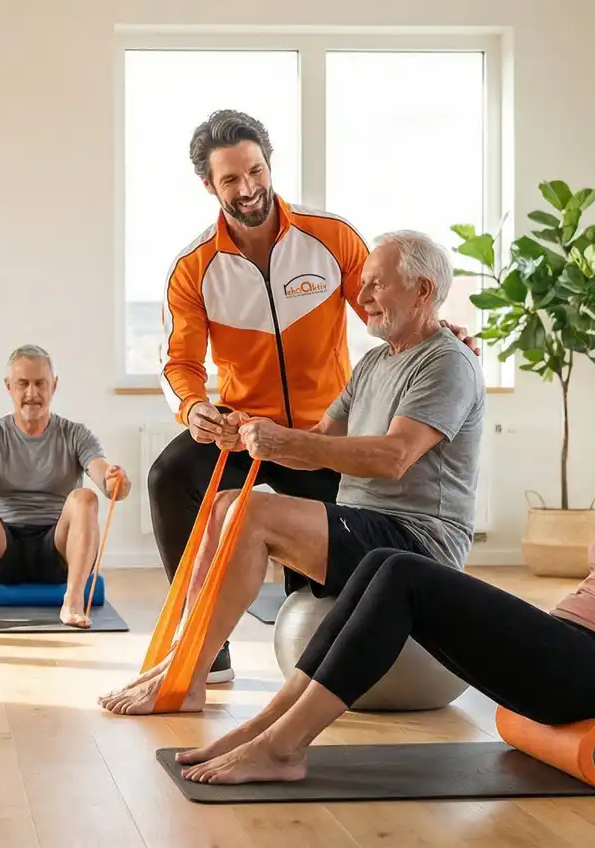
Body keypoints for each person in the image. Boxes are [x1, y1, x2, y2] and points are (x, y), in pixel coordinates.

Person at [172, 337, 595, 791]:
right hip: (577, 648)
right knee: (385, 560)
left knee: (405, 574)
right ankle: (268, 729)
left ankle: (284, 746)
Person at [151, 109, 476, 682]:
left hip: (322, 432)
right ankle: (207, 644)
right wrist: (195, 408)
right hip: (245, 429)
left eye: (255, 170)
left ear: (268, 164)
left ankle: (335, 650)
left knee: (318, 571)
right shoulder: (194, 267)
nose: (248, 188)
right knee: (171, 473)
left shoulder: (330, 238)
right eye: (231, 179)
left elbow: (388, 311)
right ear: (209, 185)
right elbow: (179, 363)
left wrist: (441, 330)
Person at [102, 230, 485, 715]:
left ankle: (189, 676)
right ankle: (184, 658)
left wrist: (285, 439)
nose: (362, 296)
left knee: (252, 514)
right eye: (362, 283)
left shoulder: (446, 363)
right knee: (224, 503)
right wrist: (243, 433)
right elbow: (319, 443)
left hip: (418, 544)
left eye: (377, 285)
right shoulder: (372, 364)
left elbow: (395, 457)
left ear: (423, 291)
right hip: (368, 527)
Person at [0, 345, 131, 628]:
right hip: (2, 550)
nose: (32, 393)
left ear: (54, 386)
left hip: (57, 551)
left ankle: (72, 602)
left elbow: (107, 481)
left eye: (40, 384)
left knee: (85, 497)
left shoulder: (75, 434)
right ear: (9, 387)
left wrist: (115, 479)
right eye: (23, 384)